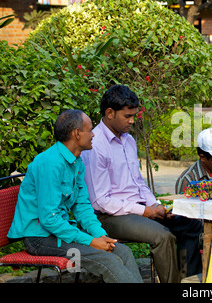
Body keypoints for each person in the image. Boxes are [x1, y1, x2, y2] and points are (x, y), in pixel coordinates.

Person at [81, 85, 202, 283]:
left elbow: (138, 183)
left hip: (137, 208)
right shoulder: (96, 145)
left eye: (134, 116)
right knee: (163, 237)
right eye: (127, 116)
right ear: (109, 113)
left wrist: (153, 205)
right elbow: (101, 201)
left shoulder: (128, 140)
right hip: (109, 216)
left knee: (191, 225)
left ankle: (187, 281)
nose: (132, 121)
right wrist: (145, 211)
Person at [7, 110, 142, 283]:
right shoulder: (50, 163)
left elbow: (82, 205)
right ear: (77, 134)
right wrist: (90, 241)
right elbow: (49, 219)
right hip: (40, 238)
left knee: (122, 251)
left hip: (59, 233)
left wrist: (99, 235)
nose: (93, 134)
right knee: (108, 260)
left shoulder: (76, 161)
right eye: (90, 130)